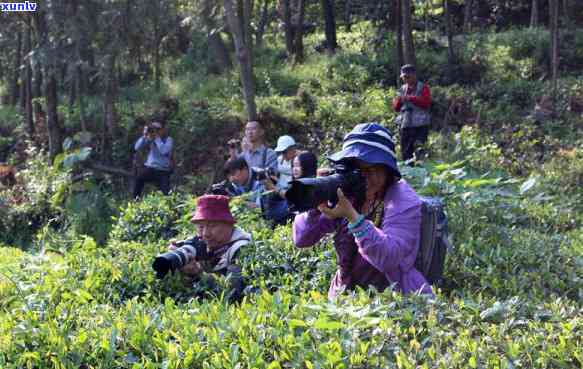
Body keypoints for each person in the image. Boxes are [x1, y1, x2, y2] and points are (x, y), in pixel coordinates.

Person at [292, 123, 432, 299]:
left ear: (387, 170)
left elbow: (389, 258)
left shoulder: (401, 198)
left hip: (393, 299)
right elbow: (301, 239)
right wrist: (316, 203)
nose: (364, 176)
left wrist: (353, 217)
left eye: (371, 169)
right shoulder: (348, 189)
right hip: (344, 296)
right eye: (357, 169)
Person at [168, 195, 252, 301]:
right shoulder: (201, 244)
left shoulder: (241, 249)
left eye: (212, 226)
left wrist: (197, 272)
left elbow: (232, 293)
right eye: (201, 227)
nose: (205, 234)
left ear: (229, 224)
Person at [392, 65, 432, 162]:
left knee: (419, 150)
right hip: (405, 124)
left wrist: (410, 98)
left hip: (421, 125)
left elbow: (426, 103)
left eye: (407, 77)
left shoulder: (423, 87)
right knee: (406, 152)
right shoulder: (402, 89)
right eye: (403, 77)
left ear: (414, 75)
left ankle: (421, 172)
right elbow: (396, 108)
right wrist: (399, 100)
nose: (405, 79)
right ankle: (408, 173)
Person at [132, 120, 173, 198]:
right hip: (150, 168)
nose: (156, 131)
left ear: (163, 130)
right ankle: (135, 200)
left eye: (158, 129)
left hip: (163, 170)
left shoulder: (168, 139)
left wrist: (157, 139)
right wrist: (144, 136)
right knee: (138, 179)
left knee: (166, 193)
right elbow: (136, 147)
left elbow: (164, 151)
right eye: (154, 129)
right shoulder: (150, 138)